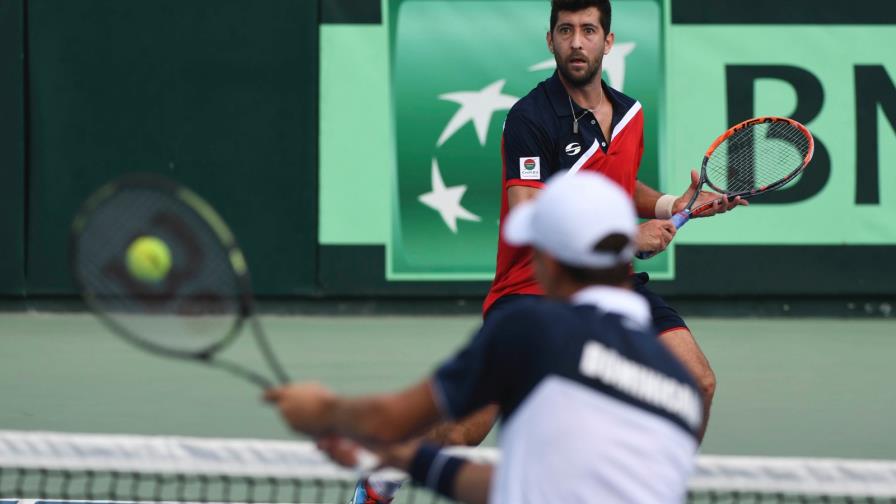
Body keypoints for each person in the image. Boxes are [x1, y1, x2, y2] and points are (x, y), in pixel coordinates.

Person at [266, 172, 703, 504]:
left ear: (547, 261)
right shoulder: (684, 384)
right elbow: (527, 488)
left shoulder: (528, 329)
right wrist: (400, 459)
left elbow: (388, 419)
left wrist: (321, 411)